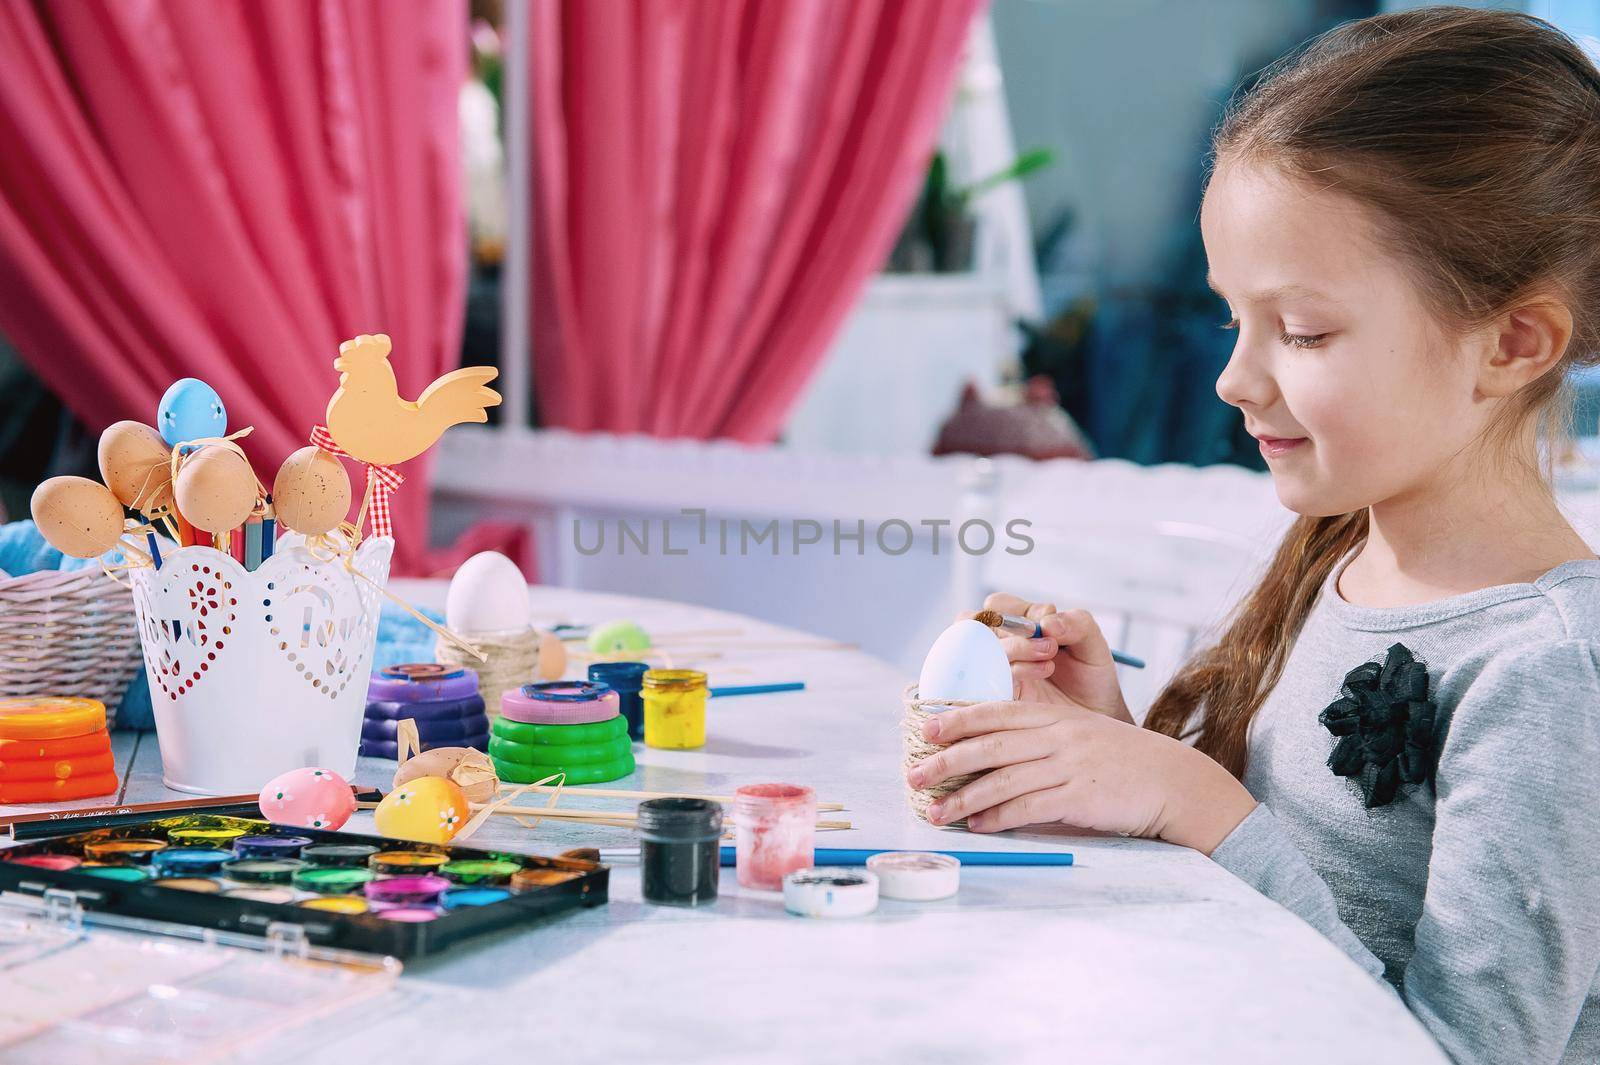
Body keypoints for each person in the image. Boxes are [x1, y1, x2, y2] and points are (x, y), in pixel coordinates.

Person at [906, 8, 1600, 1062]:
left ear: (1511, 343)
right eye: (1233, 318)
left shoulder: (1554, 670)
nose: (1233, 378)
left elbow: (1464, 1052)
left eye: (1304, 331)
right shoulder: (1340, 556)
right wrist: (1120, 751)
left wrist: (1189, 802)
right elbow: (1296, 873)